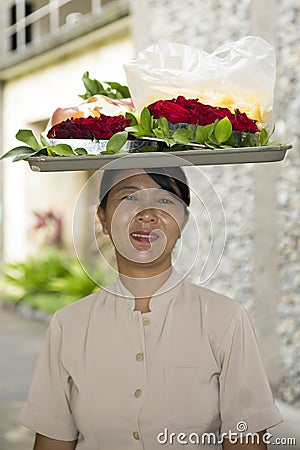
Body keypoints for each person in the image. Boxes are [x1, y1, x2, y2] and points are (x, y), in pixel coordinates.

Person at [21, 167, 282, 449]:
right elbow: (52, 441)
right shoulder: (68, 326)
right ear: (103, 218)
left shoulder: (226, 320)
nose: (147, 214)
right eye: (129, 197)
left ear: (183, 222)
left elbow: (247, 441)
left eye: (164, 200)